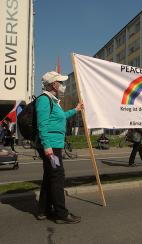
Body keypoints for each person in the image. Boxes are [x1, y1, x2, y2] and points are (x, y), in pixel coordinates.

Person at [35, 71, 83, 224]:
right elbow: (42, 125)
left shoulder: (53, 101)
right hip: (51, 148)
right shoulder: (44, 100)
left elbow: (60, 117)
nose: (63, 85)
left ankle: (43, 210)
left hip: (54, 146)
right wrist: (47, 147)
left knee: (49, 176)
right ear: (54, 84)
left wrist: (75, 110)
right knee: (57, 176)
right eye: (60, 82)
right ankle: (61, 214)